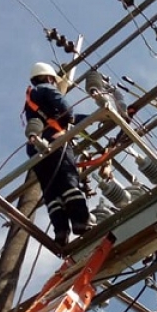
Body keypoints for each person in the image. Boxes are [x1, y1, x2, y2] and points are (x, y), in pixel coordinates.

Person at [24, 62, 95, 247]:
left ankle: (61, 232)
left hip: (36, 149)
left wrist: (90, 119)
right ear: (49, 78)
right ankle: (81, 221)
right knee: (68, 181)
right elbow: (66, 111)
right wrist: (75, 117)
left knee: (52, 192)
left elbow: (60, 118)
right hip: (55, 142)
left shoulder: (31, 99)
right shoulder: (48, 88)